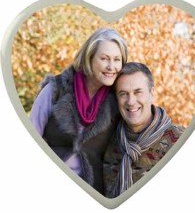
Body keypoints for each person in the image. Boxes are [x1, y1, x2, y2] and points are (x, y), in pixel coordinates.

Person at [29, 27, 128, 195]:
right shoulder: (56, 88)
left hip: (92, 192)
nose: (112, 66)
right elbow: (30, 136)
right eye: (104, 58)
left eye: (117, 60)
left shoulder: (116, 100)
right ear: (89, 58)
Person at [103, 62, 185, 198]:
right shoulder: (108, 141)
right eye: (123, 94)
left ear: (152, 93)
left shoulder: (180, 140)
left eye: (138, 92)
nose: (130, 101)